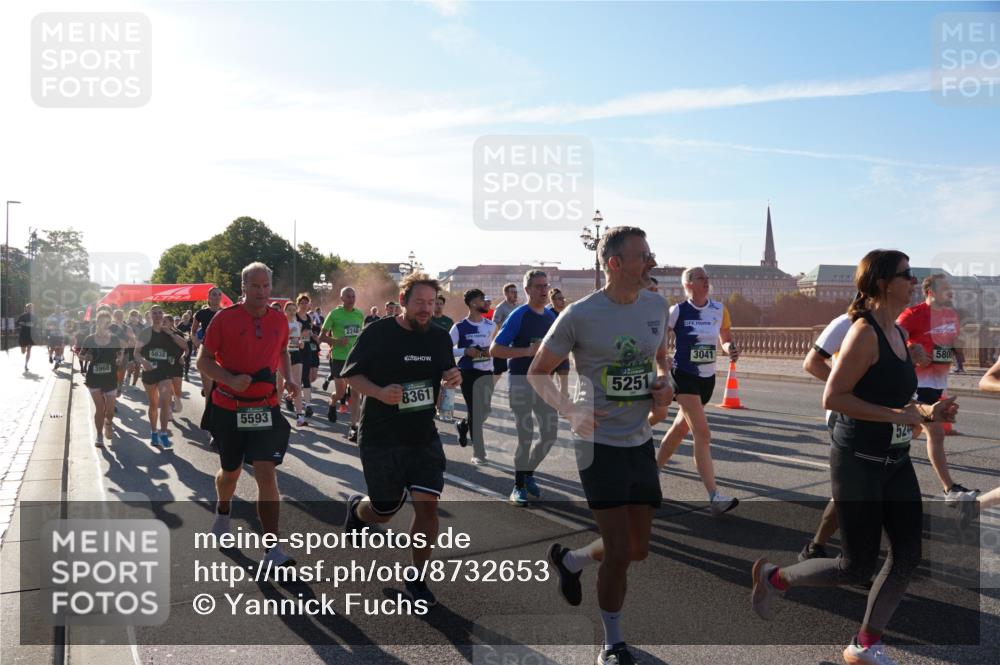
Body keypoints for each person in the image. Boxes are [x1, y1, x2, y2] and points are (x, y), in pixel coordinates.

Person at [751, 250, 958, 665]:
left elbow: (902, 400)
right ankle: (776, 578)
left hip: (895, 459)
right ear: (883, 283)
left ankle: (864, 644)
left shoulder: (898, 333)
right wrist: (895, 415)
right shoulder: (864, 333)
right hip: (858, 460)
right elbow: (834, 397)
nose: (913, 281)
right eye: (906, 274)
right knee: (856, 567)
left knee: (908, 556)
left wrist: (927, 411)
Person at [530, 226, 672, 665]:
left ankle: (571, 560)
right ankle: (613, 642)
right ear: (615, 263)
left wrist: (664, 383)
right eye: (643, 255)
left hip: (640, 439)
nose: (652, 261)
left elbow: (660, 359)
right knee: (619, 552)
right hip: (597, 443)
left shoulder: (657, 305)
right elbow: (538, 372)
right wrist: (570, 410)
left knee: (638, 548)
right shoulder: (579, 314)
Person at [342, 272, 462, 606]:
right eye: (419, 302)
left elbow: (447, 374)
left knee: (428, 507)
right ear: (403, 301)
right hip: (381, 436)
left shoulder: (439, 338)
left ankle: (417, 578)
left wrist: (452, 378)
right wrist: (380, 392)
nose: (426, 309)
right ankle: (359, 511)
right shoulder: (378, 333)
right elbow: (351, 375)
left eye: (431, 303)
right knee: (384, 510)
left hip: (422, 436)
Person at [198, 262, 299, 567]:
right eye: (255, 286)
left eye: (266, 286)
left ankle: (272, 550)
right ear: (243, 288)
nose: (262, 292)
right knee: (231, 472)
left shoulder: (278, 319)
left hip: (265, 407)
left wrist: (288, 378)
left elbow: (282, 351)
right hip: (229, 407)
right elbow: (203, 361)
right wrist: (228, 379)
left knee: (267, 473)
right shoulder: (224, 319)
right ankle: (223, 510)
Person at [650, 266, 740, 515]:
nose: (706, 281)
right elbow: (658, 337)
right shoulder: (678, 311)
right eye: (701, 278)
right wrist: (663, 359)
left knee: (680, 429)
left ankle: (651, 473)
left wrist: (730, 348)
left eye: (707, 277)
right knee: (703, 434)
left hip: (707, 380)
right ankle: (714, 497)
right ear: (688, 284)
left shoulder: (719, 309)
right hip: (685, 377)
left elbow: (725, 337)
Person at [897, 274, 977, 501]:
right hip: (916, 385)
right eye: (945, 288)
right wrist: (914, 353)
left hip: (938, 384)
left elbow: (950, 346)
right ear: (931, 292)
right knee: (936, 432)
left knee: (911, 432)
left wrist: (945, 354)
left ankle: (879, 460)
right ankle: (950, 489)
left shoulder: (951, 315)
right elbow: (892, 342)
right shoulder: (912, 314)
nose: (950, 292)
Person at [490, 270, 559, 506]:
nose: (544, 290)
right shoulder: (519, 315)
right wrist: (527, 351)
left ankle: (528, 472)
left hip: (543, 383)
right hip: (520, 382)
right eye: (538, 286)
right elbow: (495, 349)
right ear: (527, 290)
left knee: (550, 435)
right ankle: (518, 487)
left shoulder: (550, 317)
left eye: (546, 285)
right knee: (525, 435)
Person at [450, 289, 496, 465]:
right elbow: (446, 349)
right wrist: (465, 351)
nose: (486, 302)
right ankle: (479, 453)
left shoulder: (491, 326)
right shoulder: (459, 327)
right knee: (475, 411)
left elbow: (495, 347)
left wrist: (491, 352)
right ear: (472, 303)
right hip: (468, 372)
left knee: (485, 410)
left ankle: (463, 425)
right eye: (481, 299)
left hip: (487, 372)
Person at [135, 306, 188, 449]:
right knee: (153, 405)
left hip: (165, 371)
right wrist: (143, 362)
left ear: (163, 315)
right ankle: (154, 432)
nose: (157, 315)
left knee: (165, 402)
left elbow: (185, 346)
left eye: (160, 313)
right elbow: (136, 352)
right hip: (150, 372)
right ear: (150, 316)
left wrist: (171, 333)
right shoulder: (145, 333)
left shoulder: (168, 333)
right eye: (154, 313)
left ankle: (164, 434)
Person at [320, 287, 365, 439]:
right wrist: (336, 341)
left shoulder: (359, 314)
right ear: (342, 298)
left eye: (353, 296)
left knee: (355, 393)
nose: (351, 299)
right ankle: (333, 403)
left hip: (354, 358)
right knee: (340, 393)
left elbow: (360, 336)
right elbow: (321, 337)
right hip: (339, 358)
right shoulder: (334, 314)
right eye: (348, 296)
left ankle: (353, 426)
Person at [80, 310, 122, 446]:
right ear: (97, 322)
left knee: (110, 411)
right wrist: (85, 357)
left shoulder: (114, 339)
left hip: (110, 377)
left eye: (107, 322)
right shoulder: (90, 339)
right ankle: (99, 435)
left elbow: (120, 353)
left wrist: (119, 359)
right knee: (100, 408)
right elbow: (80, 354)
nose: (105, 324)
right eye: (102, 321)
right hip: (94, 378)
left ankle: (108, 423)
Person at [193, 288, 225, 438]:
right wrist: (197, 342)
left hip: (222, 355)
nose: (217, 297)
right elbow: (193, 331)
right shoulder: (201, 314)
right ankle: (212, 428)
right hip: (206, 354)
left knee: (221, 391)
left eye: (219, 294)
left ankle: (221, 423)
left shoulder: (225, 313)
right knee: (210, 393)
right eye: (214, 294)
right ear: (209, 297)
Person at [279, 301, 306, 427]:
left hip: (296, 354)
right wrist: (289, 333)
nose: (292, 312)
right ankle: (277, 410)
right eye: (289, 309)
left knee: (297, 384)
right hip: (284, 355)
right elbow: (279, 340)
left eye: (294, 310)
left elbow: (300, 341)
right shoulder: (281, 323)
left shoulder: (298, 324)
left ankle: (300, 415)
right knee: (281, 386)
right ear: (285, 311)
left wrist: (301, 343)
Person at [295, 293, 318, 420]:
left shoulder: (309, 317)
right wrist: (300, 334)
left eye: (306, 303)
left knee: (306, 377)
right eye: (302, 303)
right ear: (298, 304)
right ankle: (290, 398)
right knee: (297, 379)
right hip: (296, 349)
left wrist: (313, 335)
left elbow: (310, 332)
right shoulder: (295, 316)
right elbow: (291, 332)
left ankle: (308, 405)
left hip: (307, 348)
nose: (304, 305)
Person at [545, 288, 571, 399]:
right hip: (549, 354)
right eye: (560, 299)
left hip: (563, 355)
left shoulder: (566, 314)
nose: (562, 301)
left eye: (563, 298)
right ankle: (547, 404)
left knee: (564, 384)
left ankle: (563, 403)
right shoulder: (547, 315)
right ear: (553, 301)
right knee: (548, 384)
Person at [491, 283, 519, 385]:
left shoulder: (518, 307)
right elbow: (495, 324)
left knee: (517, 368)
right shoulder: (501, 307)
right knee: (499, 370)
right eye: (512, 292)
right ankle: (488, 388)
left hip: (516, 343)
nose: (515, 294)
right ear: (506, 294)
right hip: (502, 343)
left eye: (516, 292)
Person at [16, 303, 35, 372]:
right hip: (23, 334)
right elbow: (16, 323)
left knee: (29, 350)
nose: (30, 309)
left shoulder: (34, 316)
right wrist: (21, 323)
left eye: (31, 308)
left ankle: (26, 364)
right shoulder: (22, 316)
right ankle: (23, 349)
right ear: (26, 308)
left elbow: (37, 324)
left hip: (30, 335)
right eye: (28, 308)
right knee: (23, 352)